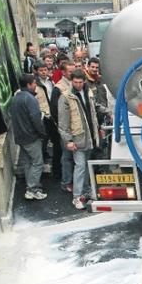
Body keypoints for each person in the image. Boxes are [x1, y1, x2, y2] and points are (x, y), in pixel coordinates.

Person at [58, 70, 100, 210]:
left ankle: (86, 191)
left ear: (84, 81)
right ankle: (77, 196)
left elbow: (94, 111)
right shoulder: (65, 97)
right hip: (78, 138)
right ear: (71, 81)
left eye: (80, 82)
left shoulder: (88, 92)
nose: (77, 85)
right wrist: (68, 140)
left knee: (86, 166)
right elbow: (63, 124)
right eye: (75, 82)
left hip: (89, 137)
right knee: (80, 166)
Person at [9, 74, 47, 200]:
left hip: (20, 137)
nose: (36, 85)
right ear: (29, 84)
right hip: (31, 137)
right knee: (37, 163)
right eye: (34, 83)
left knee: (27, 163)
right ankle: (32, 189)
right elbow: (36, 118)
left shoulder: (15, 98)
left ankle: (30, 187)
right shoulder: (30, 99)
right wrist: (42, 133)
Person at [50, 60, 75, 185]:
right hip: (66, 128)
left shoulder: (74, 84)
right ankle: (66, 181)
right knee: (67, 157)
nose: (73, 73)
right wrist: (63, 128)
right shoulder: (58, 89)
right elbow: (55, 111)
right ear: (63, 73)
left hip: (76, 126)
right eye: (71, 71)